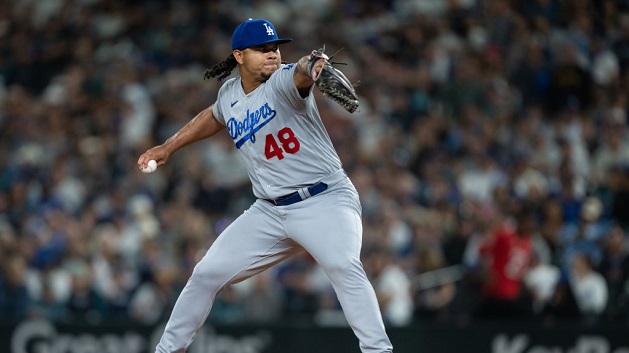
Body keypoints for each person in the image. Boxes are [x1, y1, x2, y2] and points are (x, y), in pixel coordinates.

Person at [137, 18, 393, 353]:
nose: (272, 54)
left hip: (325, 200)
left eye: (275, 48)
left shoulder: (283, 80)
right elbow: (214, 116)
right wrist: (167, 147)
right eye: (263, 49)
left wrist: (312, 64)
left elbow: (300, 71)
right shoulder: (229, 93)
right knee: (205, 275)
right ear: (239, 55)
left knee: (344, 266)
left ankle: (379, 351)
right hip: (269, 213)